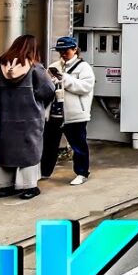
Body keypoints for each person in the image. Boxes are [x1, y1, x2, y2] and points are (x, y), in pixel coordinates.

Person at [0, 35, 54, 200]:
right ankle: (29, 187)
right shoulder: (35, 68)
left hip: (4, 118)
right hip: (30, 119)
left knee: (4, 150)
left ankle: (5, 187)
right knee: (29, 152)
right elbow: (48, 90)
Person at [40, 36, 96, 185]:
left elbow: (86, 87)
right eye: (60, 51)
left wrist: (65, 79)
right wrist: (52, 82)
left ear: (74, 49)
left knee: (78, 145)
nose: (63, 54)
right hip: (55, 112)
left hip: (75, 113)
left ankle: (82, 173)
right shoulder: (54, 66)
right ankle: (44, 171)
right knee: (48, 144)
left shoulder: (84, 67)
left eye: (66, 51)